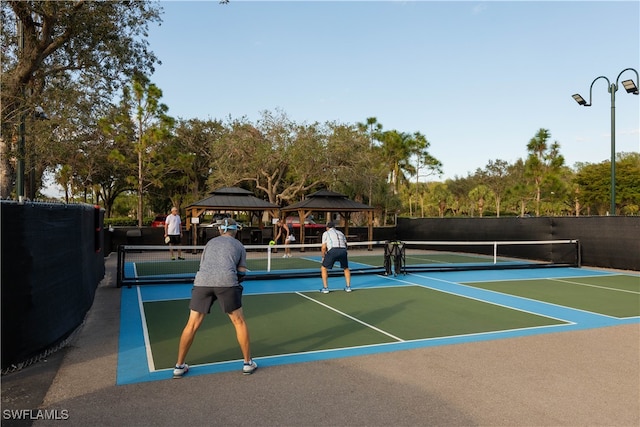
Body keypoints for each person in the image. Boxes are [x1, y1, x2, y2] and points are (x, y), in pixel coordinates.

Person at [173, 218, 257, 378]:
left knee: (191, 325)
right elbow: (242, 272)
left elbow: (203, 265)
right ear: (235, 230)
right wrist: (233, 282)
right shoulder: (239, 245)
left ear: (220, 230)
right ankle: (247, 363)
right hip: (227, 282)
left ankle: (179, 366)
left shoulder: (210, 243)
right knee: (239, 322)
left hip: (202, 282)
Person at [320, 221, 351, 293]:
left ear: (327, 228)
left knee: (323, 268)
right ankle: (348, 287)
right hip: (343, 250)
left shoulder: (326, 233)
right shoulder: (341, 233)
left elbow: (323, 247)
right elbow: (346, 245)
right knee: (346, 268)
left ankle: (325, 288)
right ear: (334, 227)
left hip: (333, 250)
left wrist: (323, 256)